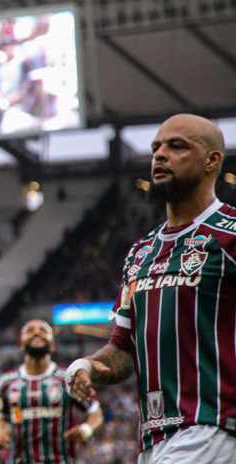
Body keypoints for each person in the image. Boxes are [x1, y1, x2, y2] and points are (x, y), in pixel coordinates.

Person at [66, 114, 236, 463]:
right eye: (156, 147)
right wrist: (87, 366)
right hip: (154, 437)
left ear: (212, 161)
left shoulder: (231, 234)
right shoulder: (140, 252)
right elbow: (123, 349)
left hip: (216, 427)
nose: (160, 155)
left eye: (177, 146)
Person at [0, 319, 103, 463]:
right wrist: (1, 432)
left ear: (53, 345)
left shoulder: (68, 378)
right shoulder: (6, 382)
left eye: (43, 330)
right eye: (30, 330)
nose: (37, 332)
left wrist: (86, 429)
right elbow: (2, 418)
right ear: (20, 344)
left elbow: (95, 411)